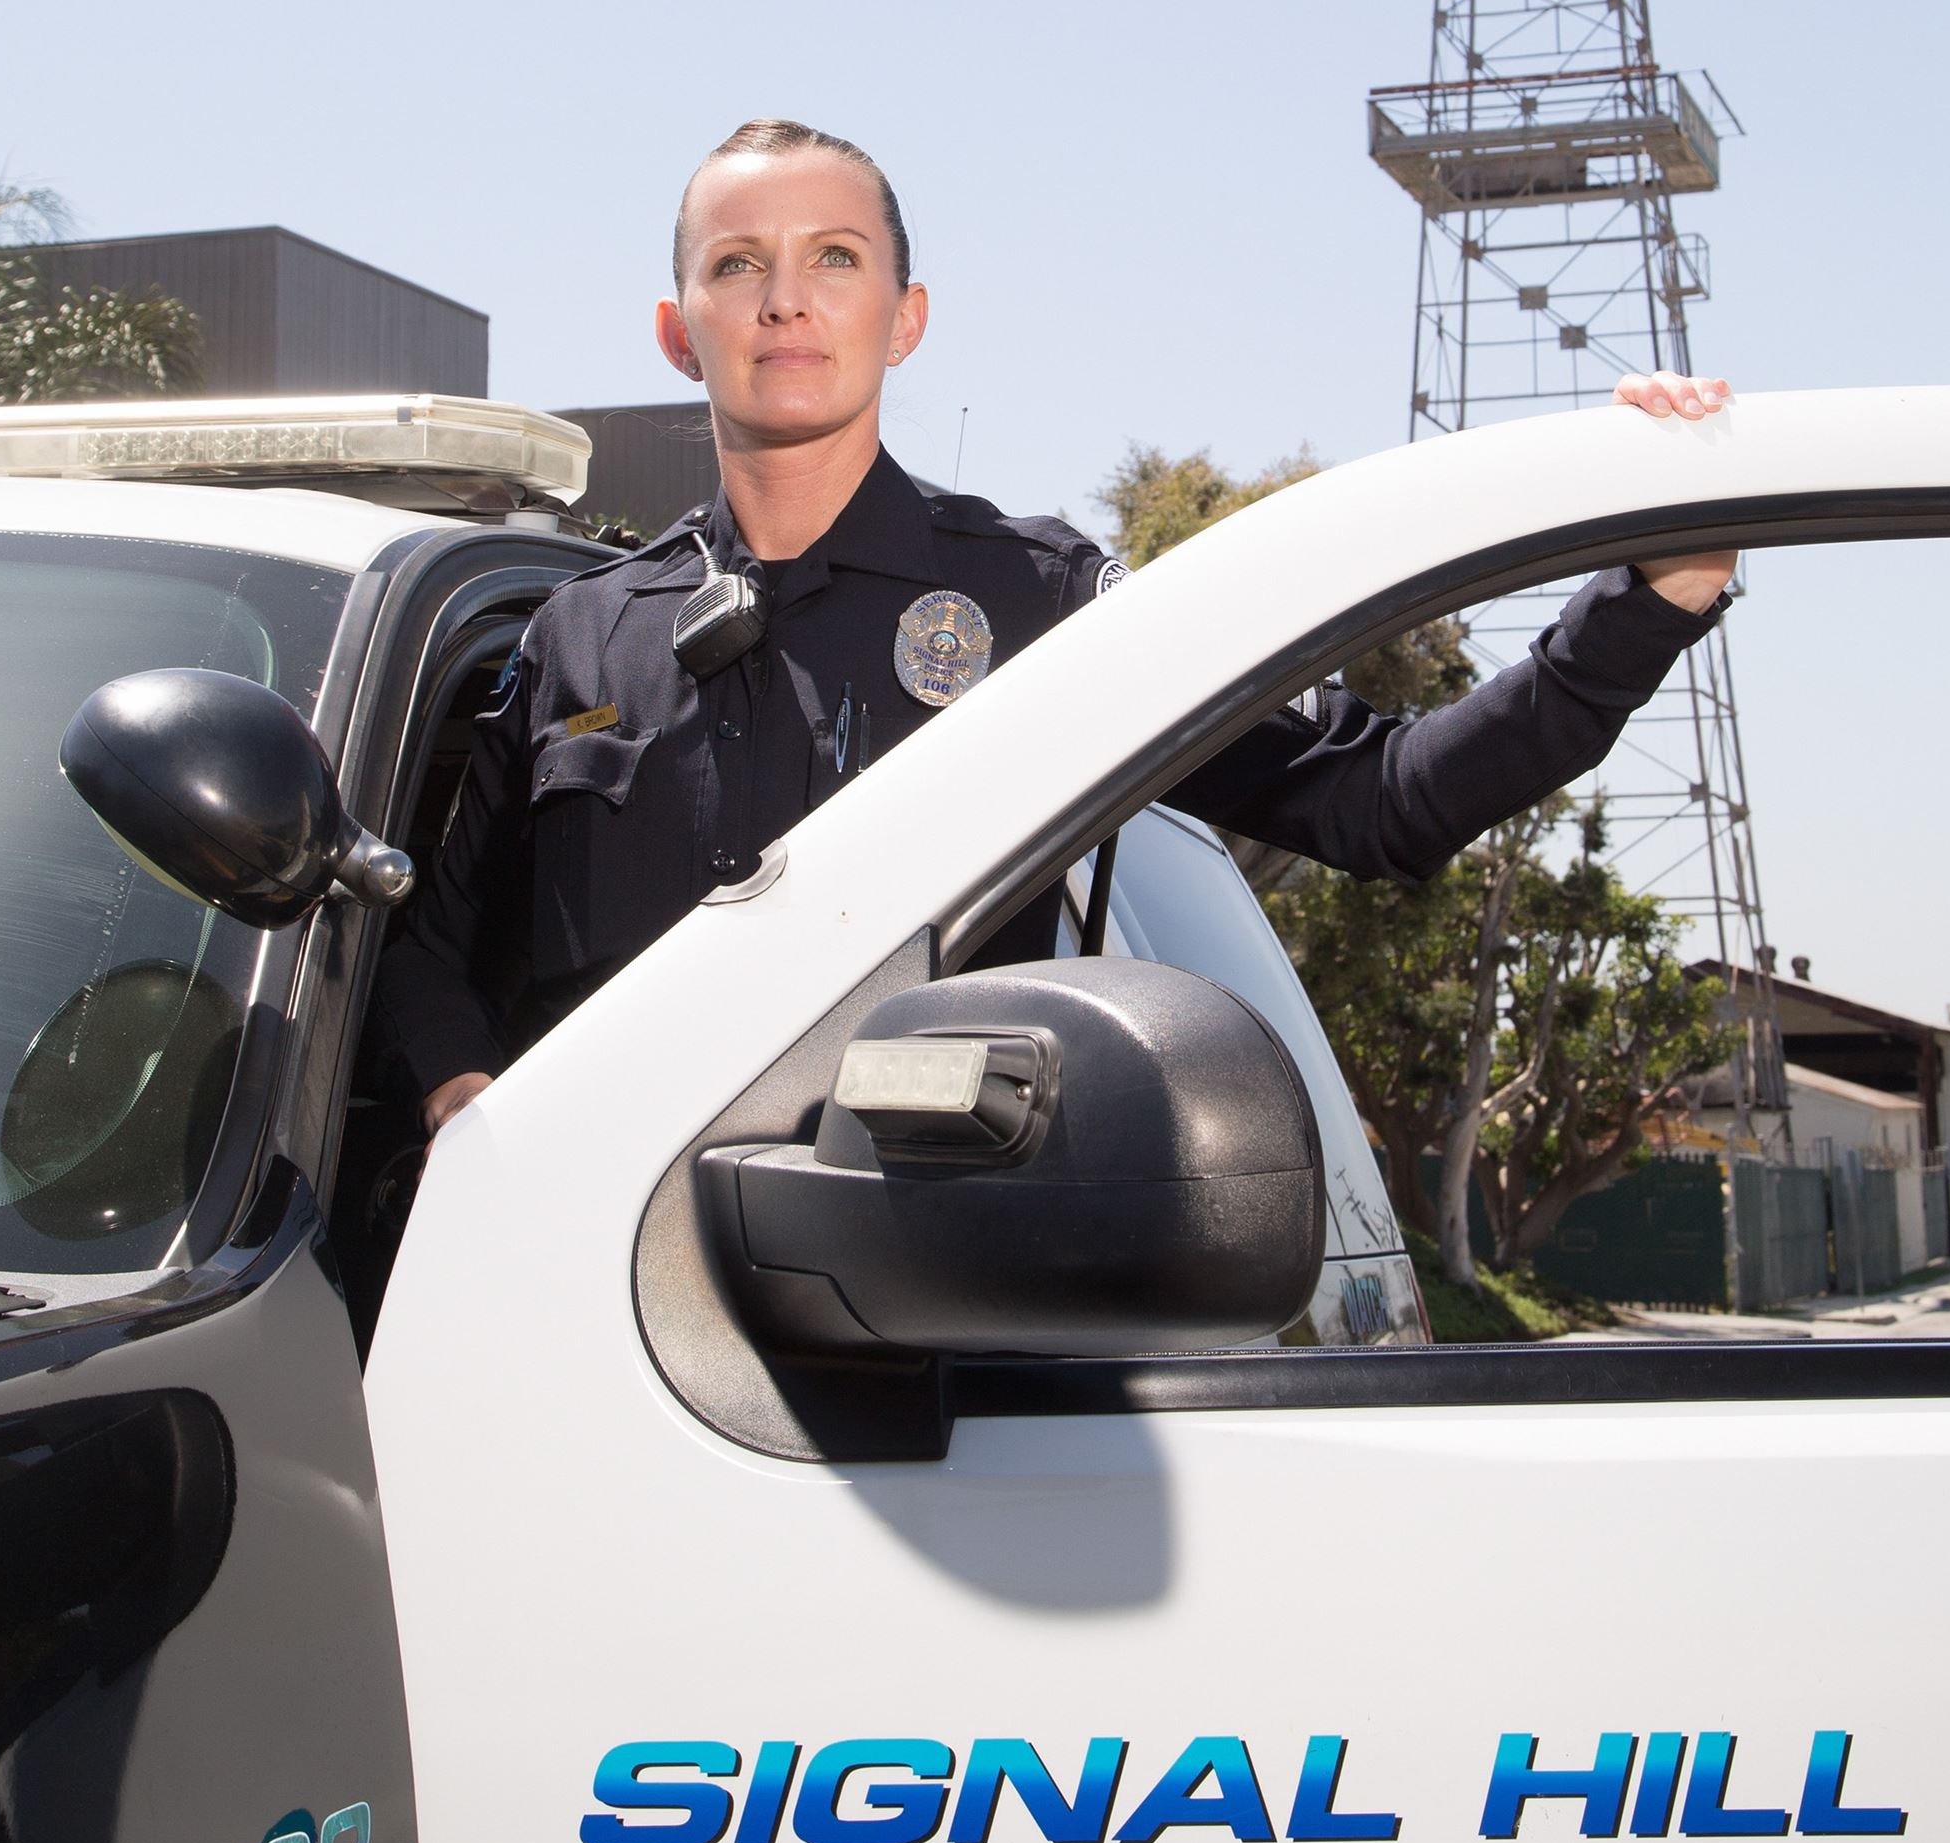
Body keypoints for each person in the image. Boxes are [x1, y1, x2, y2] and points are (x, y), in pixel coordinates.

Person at [371, 119, 1738, 1137]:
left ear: (902, 320)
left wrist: (1648, 596)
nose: (785, 299)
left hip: (931, 1325)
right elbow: (429, 953)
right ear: (683, 331)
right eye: (739, 265)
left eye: (833, 259)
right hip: (601, 1332)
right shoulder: (579, 640)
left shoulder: (1041, 603)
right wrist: (471, 1112)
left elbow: (1379, 798)